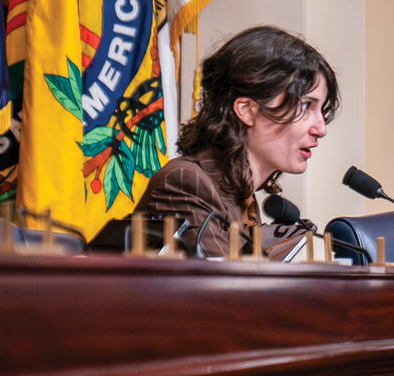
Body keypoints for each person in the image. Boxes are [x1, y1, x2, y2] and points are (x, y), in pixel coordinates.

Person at [134, 25, 340, 259]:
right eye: (305, 106)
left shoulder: (242, 199)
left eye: (321, 110)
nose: (321, 129)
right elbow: (228, 291)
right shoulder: (185, 184)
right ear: (247, 110)